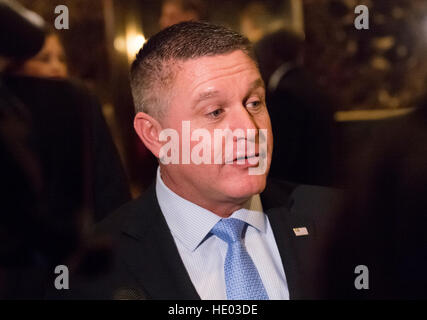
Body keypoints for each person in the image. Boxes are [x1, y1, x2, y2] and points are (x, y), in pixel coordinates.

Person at [56, 21, 341, 300]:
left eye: (254, 103)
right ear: (155, 135)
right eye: (215, 112)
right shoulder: (94, 271)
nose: (250, 129)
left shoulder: (340, 220)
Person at [254, 30, 336, 186]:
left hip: (297, 187)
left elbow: (283, 152)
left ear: (272, 56)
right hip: (323, 181)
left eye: (260, 55)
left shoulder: (284, 93)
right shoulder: (312, 84)